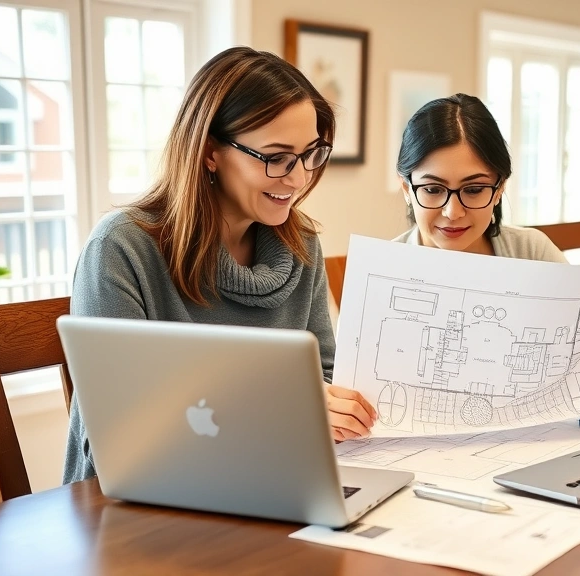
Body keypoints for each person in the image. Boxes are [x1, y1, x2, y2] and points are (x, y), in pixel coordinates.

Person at [63, 47, 376, 484]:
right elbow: (114, 438)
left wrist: (334, 409)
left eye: (310, 153)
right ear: (211, 153)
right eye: (277, 157)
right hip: (137, 504)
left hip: (268, 481)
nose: (300, 178)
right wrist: (282, 409)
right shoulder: (121, 248)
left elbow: (323, 379)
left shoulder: (301, 245)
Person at [393, 94, 580, 358]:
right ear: (407, 189)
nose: (453, 212)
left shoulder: (532, 252)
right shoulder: (382, 272)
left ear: (499, 190)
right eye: (432, 189)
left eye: (473, 190)